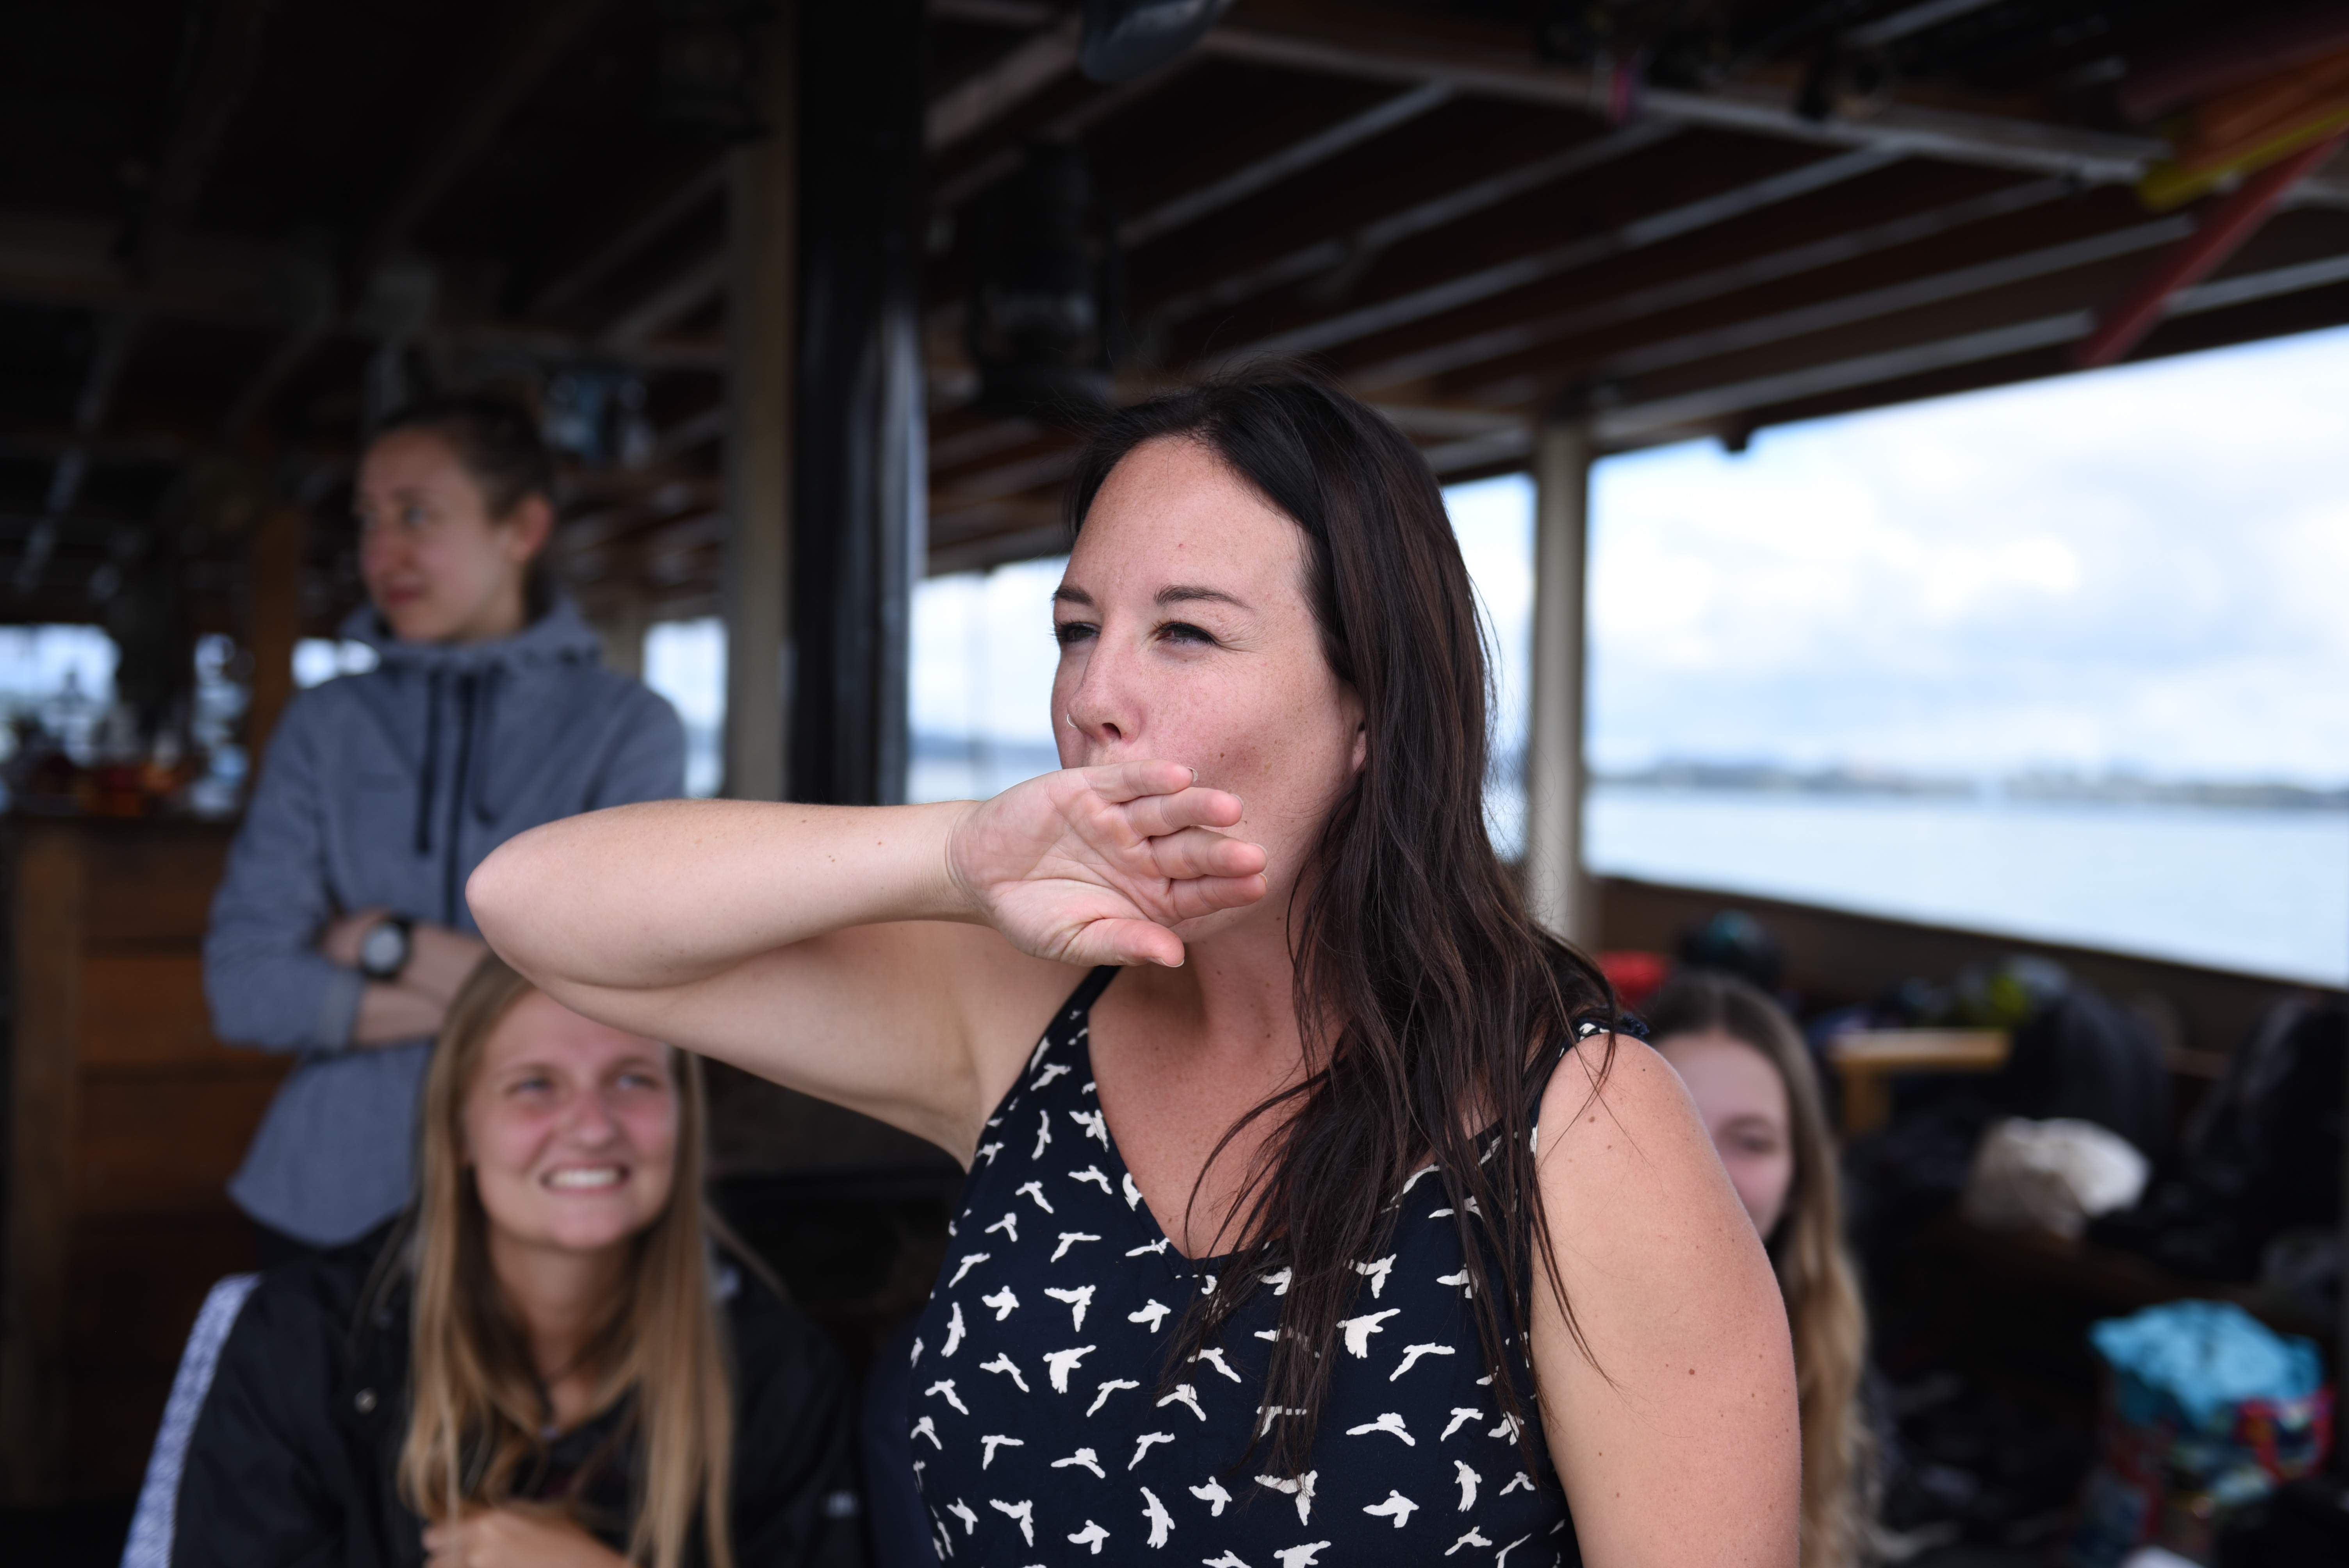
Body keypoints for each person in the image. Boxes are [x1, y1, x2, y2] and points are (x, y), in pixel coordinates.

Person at [472, 368, 1799, 1566]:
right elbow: (529, 900)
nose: (1091, 694)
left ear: (1368, 712)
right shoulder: (1027, 1020)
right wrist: (953, 853)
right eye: (1073, 626)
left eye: (1184, 632)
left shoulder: (1580, 1128)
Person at [173, 955, 866, 1568]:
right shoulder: (305, 1342)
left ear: (686, 1121)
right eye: (535, 1085)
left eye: (632, 1080)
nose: (594, 1127)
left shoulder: (781, 1374)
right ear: (459, 1129)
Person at [205, 397, 685, 1258]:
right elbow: (244, 983)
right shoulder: (324, 726)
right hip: (327, 1201)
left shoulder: (627, 727)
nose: (380, 552)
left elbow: (620, 1000)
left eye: (416, 514)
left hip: (551, 1204)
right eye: (368, 520)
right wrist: (522, 995)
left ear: (521, 528)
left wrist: (383, 941)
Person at [1647, 970, 1875, 1568]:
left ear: (1800, 1179)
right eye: (1675, 1129)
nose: (1710, 1172)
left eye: (1751, 1140)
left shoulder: (1829, 1366)